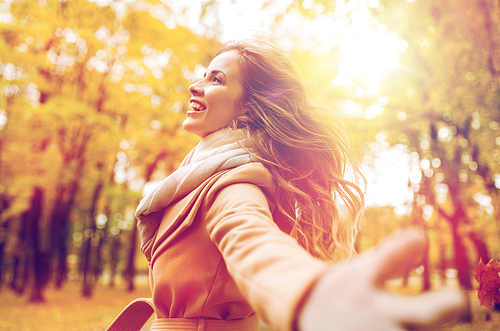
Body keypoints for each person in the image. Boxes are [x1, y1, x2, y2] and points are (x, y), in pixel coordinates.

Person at [106, 38, 468, 331]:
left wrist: (311, 296)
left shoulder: (234, 184)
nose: (195, 86)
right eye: (204, 75)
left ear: (247, 109)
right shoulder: (195, 178)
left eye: (216, 79)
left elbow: (253, 246)